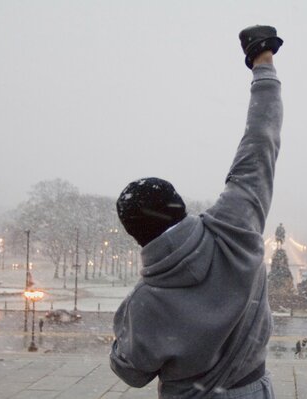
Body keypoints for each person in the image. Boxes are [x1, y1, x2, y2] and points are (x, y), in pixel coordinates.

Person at [110, 25, 284, 399]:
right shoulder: (234, 225)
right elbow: (261, 140)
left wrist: (124, 325)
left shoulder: (146, 303)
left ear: (135, 234)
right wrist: (262, 62)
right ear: (180, 204)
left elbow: (131, 372)